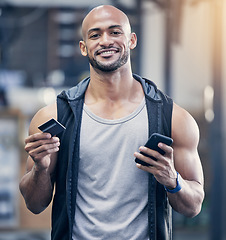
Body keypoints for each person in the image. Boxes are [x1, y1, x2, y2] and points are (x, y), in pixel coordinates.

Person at [19, 5, 204, 240]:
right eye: (95, 35)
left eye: (115, 32)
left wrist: (172, 179)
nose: (105, 41)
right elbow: (34, 204)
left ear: (132, 40)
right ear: (83, 47)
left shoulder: (174, 118)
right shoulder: (53, 117)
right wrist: (41, 169)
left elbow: (193, 206)